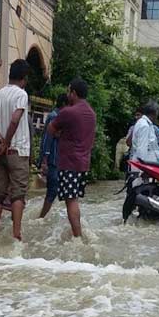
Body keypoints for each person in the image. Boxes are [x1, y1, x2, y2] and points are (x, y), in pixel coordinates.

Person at [0, 59, 31, 240]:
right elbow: (15, 119)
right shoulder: (21, 94)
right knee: (18, 194)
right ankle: (16, 235)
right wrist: (7, 142)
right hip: (17, 150)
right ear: (24, 78)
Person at [47, 79, 97, 239]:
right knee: (74, 198)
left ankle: (77, 237)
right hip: (83, 163)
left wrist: (59, 135)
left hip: (69, 162)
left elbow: (50, 128)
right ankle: (78, 233)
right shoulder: (91, 113)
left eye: (69, 91)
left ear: (74, 93)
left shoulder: (68, 112)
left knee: (71, 200)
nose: (67, 94)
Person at [38, 94, 67, 218]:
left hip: (57, 160)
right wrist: (44, 160)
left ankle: (43, 217)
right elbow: (47, 138)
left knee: (55, 190)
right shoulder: (54, 117)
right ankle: (41, 217)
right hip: (52, 160)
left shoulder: (59, 117)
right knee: (52, 190)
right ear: (64, 104)